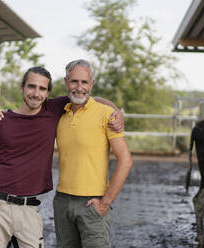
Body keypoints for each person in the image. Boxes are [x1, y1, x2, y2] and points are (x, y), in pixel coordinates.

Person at [0, 66, 123, 248]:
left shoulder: (53, 110)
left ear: (48, 93)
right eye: (31, 87)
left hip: (29, 207)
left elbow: (89, 98)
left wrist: (118, 113)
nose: (36, 93)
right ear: (22, 87)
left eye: (42, 88)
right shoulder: (1, 119)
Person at [53, 59, 133, 247]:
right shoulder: (59, 115)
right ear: (66, 82)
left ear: (92, 84)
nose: (79, 87)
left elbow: (126, 161)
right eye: (74, 81)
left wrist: (105, 203)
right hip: (62, 202)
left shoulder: (106, 115)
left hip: (93, 204)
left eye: (84, 82)